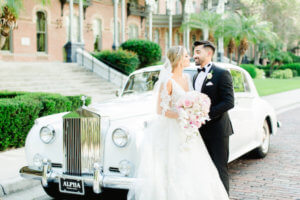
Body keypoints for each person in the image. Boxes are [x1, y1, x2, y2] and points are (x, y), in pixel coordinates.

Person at [127, 46, 229, 200]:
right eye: (187, 56)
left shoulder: (187, 79)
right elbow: (160, 110)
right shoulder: (167, 81)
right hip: (172, 129)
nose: (190, 58)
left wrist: (195, 112)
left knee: (193, 166)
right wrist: (181, 115)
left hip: (187, 129)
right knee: (173, 166)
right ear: (179, 59)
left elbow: (189, 100)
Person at [192, 40, 234, 194]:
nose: (194, 55)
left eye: (198, 52)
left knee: (220, 168)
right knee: (205, 169)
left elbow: (229, 102)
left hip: (218, 131)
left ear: (208, 53)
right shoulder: (196, 76)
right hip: (201, 131)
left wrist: (206, 115)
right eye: (194, 52)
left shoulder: (222, 73)